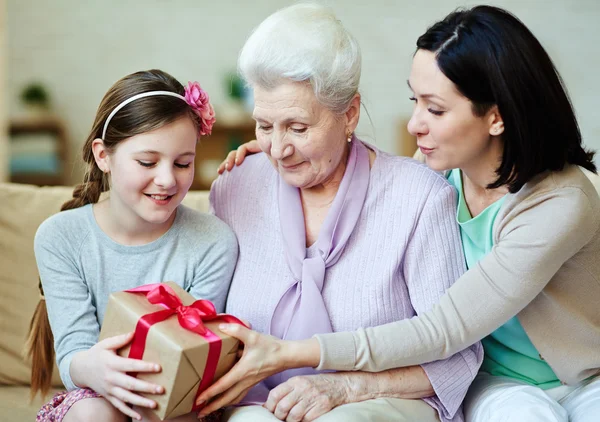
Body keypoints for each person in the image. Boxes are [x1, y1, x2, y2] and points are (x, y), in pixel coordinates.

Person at [202, 5, 600, 422]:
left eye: (436, 109)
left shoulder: (560, 203)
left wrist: (295, 355)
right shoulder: (441, 170)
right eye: (416, 101)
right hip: (496, 379)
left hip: (576, 378)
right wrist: (274, 148)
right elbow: (365, 165)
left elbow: (444, 327)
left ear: (496, 117)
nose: (414, 125)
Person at [204, 4, 482, 422]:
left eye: (298, 128)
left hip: (376, 403)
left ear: (349, 113)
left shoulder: (420, 198)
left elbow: (456, 357)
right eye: (264, 125)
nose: (278, 150)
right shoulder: (234, 187)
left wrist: (344, 387)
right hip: (258, 404)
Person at [27, 69, 238, 422]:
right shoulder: (60, 237)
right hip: (98, 392)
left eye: (184, 163)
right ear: (103, 156)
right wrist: (96, 370)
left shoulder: (213, 241)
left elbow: (195, 350)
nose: (168, 179)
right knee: (95, 413)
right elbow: (73, 355)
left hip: (181, 396)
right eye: (147, 162)